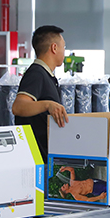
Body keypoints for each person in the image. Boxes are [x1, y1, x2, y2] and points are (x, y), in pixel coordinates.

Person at [11, 25, 69, 161]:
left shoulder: (47, 76)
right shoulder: (36, 74)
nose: (64, 52)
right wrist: (47, 105)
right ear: (54, 48)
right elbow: (18, 107)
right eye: (64, 47)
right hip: (36, 157)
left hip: (46, 154)